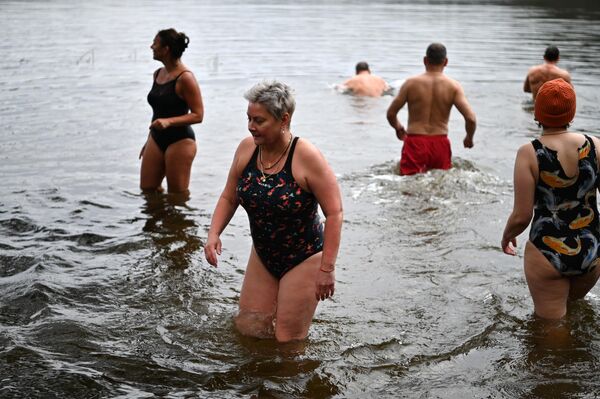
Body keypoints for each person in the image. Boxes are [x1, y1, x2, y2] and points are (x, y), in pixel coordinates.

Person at [204, 81, 343, 343]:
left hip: (303, 256)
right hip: (263, 253)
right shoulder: (247, 149)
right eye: (248, 118)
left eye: (259, 120)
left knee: (287, 341)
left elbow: (334, 213)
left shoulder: (306, 157)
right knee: (249, 329)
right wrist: (214, 233)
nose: (250, 126)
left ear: (283, 119)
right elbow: (229, 195)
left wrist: (327, 269)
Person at [502, 78, 600, 320]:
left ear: (537, 112)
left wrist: (507, 235)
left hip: (547, 251)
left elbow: (522, 216)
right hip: (591, 250)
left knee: (552, 330)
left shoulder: (529, 153)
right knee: (575, 311)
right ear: (572, 110)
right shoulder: (595, 145)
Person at [386, 43, 476, 175]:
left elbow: (391, 113)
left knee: (409, 188)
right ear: (445, 62)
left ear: (425, 60)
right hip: (440, 143)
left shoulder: (410, 84)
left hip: (415, 143)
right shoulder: (454, 86)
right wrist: (469, 137)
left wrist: (398, 128)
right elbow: (471, 118)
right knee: (439, 187)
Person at [140, 28, 204, 194]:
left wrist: (169, 122)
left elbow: (198, 115)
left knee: (177, 196)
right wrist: (149, 141)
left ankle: (177, 219)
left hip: (180, 140)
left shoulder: (185, 78)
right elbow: (158, 113)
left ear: (166, 49)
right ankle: (156, 217)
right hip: (156, 138)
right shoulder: (157, 74)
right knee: (148, 189)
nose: (151, 47)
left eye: (155, 43)